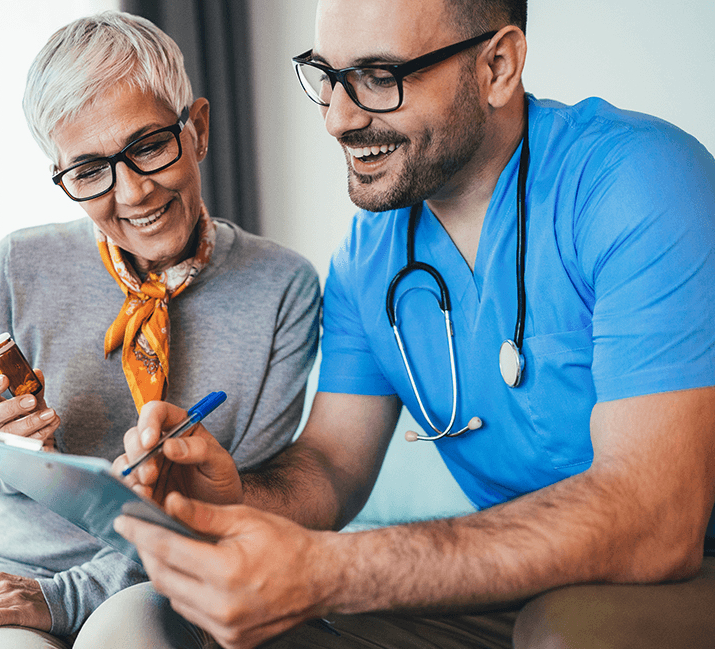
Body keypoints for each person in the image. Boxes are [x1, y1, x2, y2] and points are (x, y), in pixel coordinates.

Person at [100, 0, 715, 648]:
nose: (337, 119)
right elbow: (332, 465)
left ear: (497, 66)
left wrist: (327, 570)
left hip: (686, 563)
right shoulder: (370, 252)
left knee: (566, 631)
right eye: (327, 76)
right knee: (242, 629)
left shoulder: (637, 181)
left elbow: (658, 520)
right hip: (527, 577)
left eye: (377, 77)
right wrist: (230, 495)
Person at [0, 10, 320, 649]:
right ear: (62, 176)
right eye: (88, 172)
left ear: (200, 130)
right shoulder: (17, 265)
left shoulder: (283, 290)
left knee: (128, 633)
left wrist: (67, 598)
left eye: (149, 145)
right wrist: (11, 449)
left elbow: (230, 514)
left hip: (172, 576)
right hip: (9, 569)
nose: (131, 193)